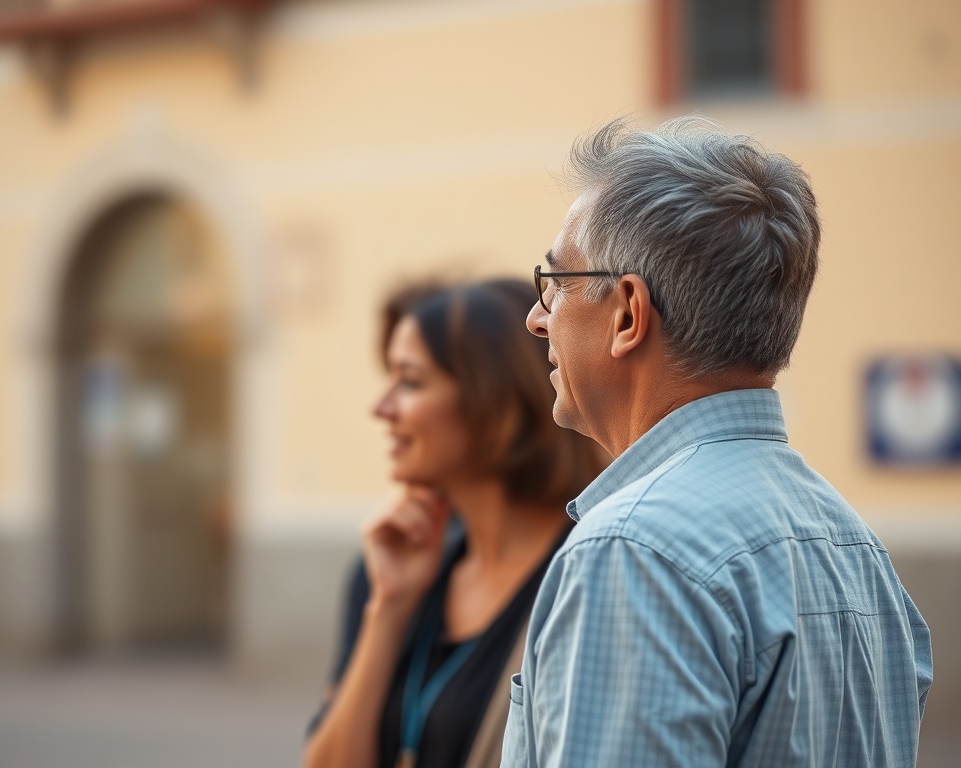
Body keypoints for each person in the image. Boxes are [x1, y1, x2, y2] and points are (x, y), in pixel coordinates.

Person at [501, 117, 934, 767]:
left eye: (555, 283)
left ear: (627, 313)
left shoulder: (634, 549)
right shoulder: (851, 541)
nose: (538, 318)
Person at [303, 278, 606, 768]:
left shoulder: (595, 569)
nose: (380, 408)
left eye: (410, 381)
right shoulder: (390, 568)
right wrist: (389, 608)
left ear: (495, 404)